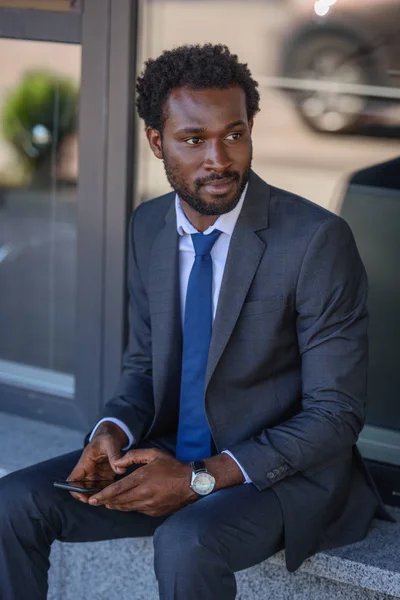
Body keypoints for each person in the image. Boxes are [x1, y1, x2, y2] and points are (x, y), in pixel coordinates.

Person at [0, 43, 394, 600]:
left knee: (186, 543)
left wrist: (200, 477)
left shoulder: (314, 242)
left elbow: (334, 417)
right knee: (13, 504)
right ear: (157, 142)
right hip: (172, 453)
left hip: (276, 473)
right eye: (193, 139)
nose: (219, 158)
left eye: (234, 134)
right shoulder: (149, 227)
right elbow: (143, 364)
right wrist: (112, 431)